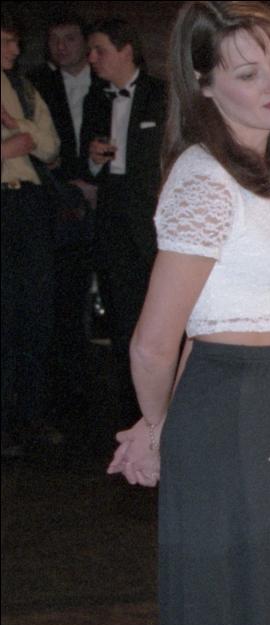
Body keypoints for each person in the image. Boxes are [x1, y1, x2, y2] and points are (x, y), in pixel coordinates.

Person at [106, 0, 270, 625]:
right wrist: (160, 427)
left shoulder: (251, 170)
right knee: (252, 609)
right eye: (247, 73)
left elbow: (204, 321)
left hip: (260, 401)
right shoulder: (206, 180)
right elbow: (151, 343)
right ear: (204, 85)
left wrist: (160, 423)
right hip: (230, 415)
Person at [84, 17, 166, 427]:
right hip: (113, 221)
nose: (92, 58)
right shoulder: (95, 99)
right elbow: (85, 165)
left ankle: (167, 412)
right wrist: (93, 160)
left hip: (154, 224)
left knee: (163, 319)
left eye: (99, 49)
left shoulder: (160, 95)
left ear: (126, 50)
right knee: (121, 320)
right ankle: (131, 416)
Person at [28, 11, 98, 430]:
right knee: (64, 301)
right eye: (54, 39)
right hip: (59, 205)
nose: (61, 47)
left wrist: (94, 183)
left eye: (70, 38)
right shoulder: (36, 83)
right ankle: (68, 397)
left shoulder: (104, 81)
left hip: (105, 198)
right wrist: (68, 184)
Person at [2, 14, 62, 455]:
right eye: (6, 41)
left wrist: (17, 126)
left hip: (28, 205)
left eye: (16, 42)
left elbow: (51, 146)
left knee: (34, 313)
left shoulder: (23, 87)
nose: (15, 50)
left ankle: (30, 417)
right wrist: (7, 147)